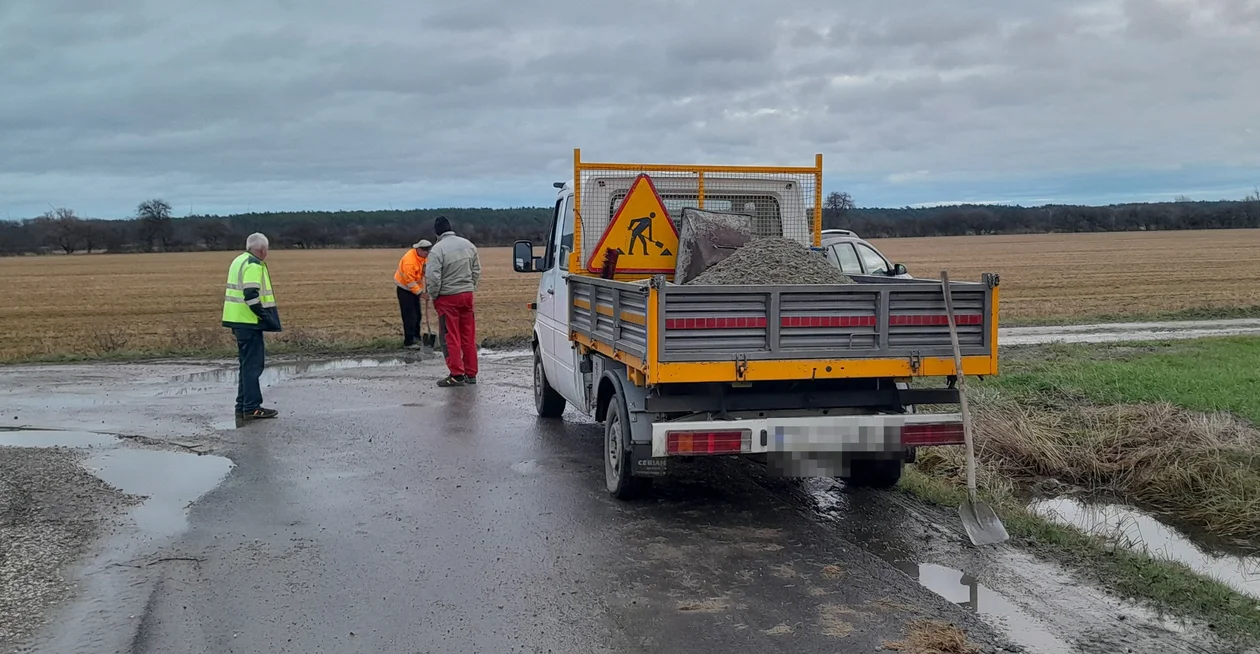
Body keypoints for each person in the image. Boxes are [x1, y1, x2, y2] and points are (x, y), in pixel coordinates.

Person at [221, 233, 282, 420]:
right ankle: (252, 407)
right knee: (253, 366)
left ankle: (242, 405)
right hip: (249, 322)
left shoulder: (238, 260)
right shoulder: (254, 264)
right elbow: (250, 294)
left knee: (246, 365)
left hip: (237, 320)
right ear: (262, 249)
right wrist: (264, 316)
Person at [424, 215, 481, 387]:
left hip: (447, 298)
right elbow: (476, 271)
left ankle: (456, 374)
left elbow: (433, 277)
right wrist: (470, 287)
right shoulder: (468, 245)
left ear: (437, 233)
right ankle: (471, 374)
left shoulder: (437, 250)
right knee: (468, 336)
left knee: (450, 337)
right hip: (467, 295)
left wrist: (434, 295)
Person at [394, 239, 432, 349]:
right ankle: (408, 342)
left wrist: (426, 273)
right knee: (409, 316)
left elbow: (424, 268)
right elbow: (409, 281)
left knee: (418, 315)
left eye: (428, 251)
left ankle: (417, 337)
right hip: (405, 289)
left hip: (414, 288)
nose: (427, 254)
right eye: (425, 252)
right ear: (418, 250)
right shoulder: (409, 261)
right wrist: (421, 294)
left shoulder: (423, 257)